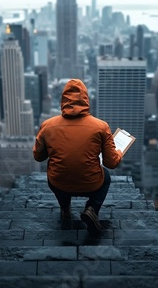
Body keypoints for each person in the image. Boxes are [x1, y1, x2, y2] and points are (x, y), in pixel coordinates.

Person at [33, 79, 123, 235]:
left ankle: (65, 209)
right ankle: (92, 209)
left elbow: (38, 157)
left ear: (63, 100)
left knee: (53, 170)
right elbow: (111, 163)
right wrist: (119, 152)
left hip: (60, 183)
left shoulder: (47, 125)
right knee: (106, 177)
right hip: (91, 184)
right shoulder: (101, 126)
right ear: (86, 99)